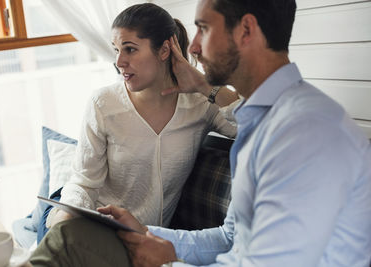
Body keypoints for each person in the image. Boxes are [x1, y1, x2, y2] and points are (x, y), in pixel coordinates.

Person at [30, 0, 371, 266]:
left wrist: (165, 259)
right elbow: (228, 239)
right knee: (69, 238)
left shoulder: (305, 132)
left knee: (70, 243)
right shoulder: (262, 124)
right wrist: (146, 235)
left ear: (246, 30)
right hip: (102, 217)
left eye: (204, 29)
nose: (191, 48)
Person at [36, 2, 238, 243]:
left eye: (130, 49)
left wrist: (204, 84)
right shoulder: (104, 103)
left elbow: (257, 125)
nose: (119, 61)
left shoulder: (199, 104)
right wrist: (62, 224)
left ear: (164, 51)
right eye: (116, 50)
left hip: (140, 238)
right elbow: (83, 182)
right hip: (81, 215)